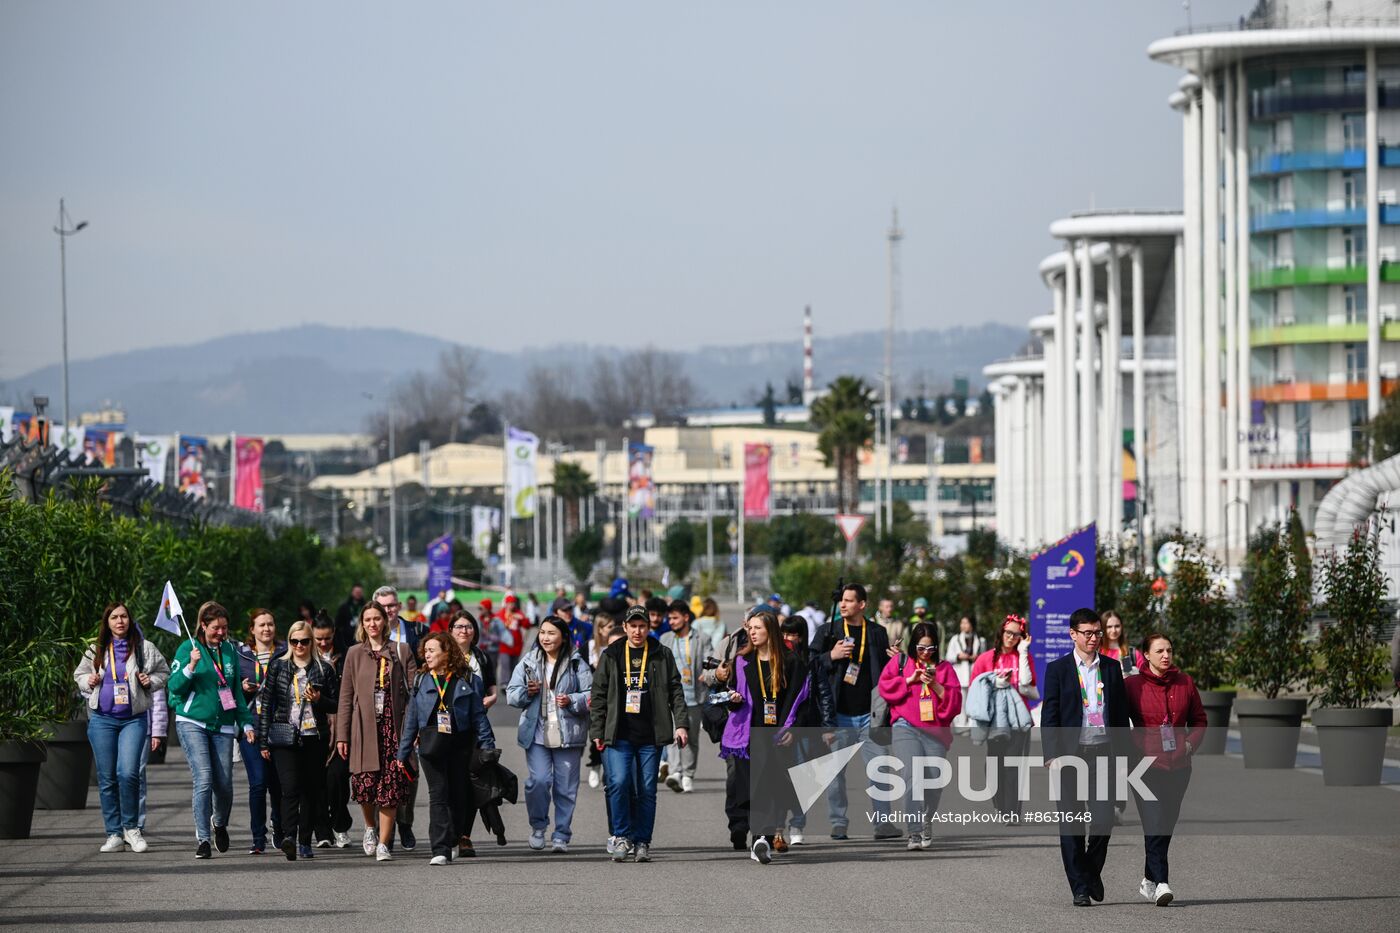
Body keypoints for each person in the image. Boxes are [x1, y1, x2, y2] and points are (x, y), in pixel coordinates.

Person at [1041, 608, 1131, 908]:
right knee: (1072, 825)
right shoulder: (1058, 669)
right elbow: (1049, 715)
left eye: (1097, 633)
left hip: (1103, 753)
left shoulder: (1111, 667)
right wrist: (1051, 755)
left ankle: (1090, 871)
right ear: (1073, 634)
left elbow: (1119, 714)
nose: (1094, 638)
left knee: (1103, 820)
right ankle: (1080, 887)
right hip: (1070, 754)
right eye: (1088, 633)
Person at [588, 605, 689, 863]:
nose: (637, 631)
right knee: (619, 783)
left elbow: (675, 690)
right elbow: (598, 695)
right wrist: (597, 730)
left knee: (646, 789)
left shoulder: (660, 653)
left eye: (642, 626)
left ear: (648, 627)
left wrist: (681, 724)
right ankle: (622, 836)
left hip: (650, 735)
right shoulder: (612, 654)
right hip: (618, 733)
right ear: (625, 627)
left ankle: (642, 841)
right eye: (632, 626)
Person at [713, 607, 815, 864]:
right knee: (755, 787)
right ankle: (759, 838)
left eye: (757, 628)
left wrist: (794, 729)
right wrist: (734, 700)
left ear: (771, 631)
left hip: (780, 734)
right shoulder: (742, 661)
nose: (752, 632)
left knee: (773, 787)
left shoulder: (792, 663)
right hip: (749, 734)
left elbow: (803, 703)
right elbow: (731, 697)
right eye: (750, 628)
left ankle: (763, 839)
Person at [74, 602, 170, 854]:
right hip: (101, 719)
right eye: (115, 617)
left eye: (124, 616)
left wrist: (150, 681)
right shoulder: (95, 649)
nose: (120, 621)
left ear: (130, 620)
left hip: (132, 719)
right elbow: (79, 676)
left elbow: (164, 672)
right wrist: (89, 680)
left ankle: (132, 828)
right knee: (107, 778)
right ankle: (114, 834)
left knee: (128, 773)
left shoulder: (143, 648)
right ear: (107, 622)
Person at [168, 601, 258, 859]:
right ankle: (203, 838)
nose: (221, 633)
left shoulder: (229, 650)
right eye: (216, 628)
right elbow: (174, 687)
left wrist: (246, 722)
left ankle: (220, 823)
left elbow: (236, 693)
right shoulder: (188, 647)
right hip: (192, 721)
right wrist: (190, 667)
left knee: (225, 784)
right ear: (203, 626)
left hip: (224, 724)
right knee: (204, 778)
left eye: (225, 628)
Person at [1124, 633, 1207, 907]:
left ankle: (1149, 878)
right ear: (1146, 655)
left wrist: (1190, 744)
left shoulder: (1185, 682)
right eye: (1159, 650)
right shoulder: (1132, 685)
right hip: (1144, 765)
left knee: (1166, 824)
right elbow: (1116, 721)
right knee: (1154, 821)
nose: (1166, 655)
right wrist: (1132, 745)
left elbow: (1200, 720)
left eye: (1169, 650)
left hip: (1179, 766)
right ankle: (1161, 883)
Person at [399, 631, 495, 865]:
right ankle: (439, 849)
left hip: (460, 745)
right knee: (438, 794)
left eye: (432, 651)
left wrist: (487, 746)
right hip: (431, 746)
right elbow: (412, 716)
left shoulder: (469, 679)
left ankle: (453, 838)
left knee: (458, 794)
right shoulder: (421, 680)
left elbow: (478, 716)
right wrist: (402, 752)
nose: (426, 655)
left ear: (446, 653)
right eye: (426, 651)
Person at [812, 583, 896, 840]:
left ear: (862, 604)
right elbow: (808, 664)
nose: (843, 604)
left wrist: (897, 660)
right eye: (841, 600)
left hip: (870, 716)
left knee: (879, 770)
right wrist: (831, 656)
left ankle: (883, 824)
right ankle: (839, 822)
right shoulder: (828, 631)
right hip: (838, 716)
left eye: (849, 600)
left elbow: (887, 672)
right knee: (835, 775)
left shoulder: (877, 633)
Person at [335, 601, 416, 861]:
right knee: (365, 784)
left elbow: (414, 694)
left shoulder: (401, 651)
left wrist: (413, 730)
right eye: (368, 619)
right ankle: (370, 828)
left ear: (385, 621)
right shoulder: (354, 653)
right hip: (363, 727)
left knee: (391, 787)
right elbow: (346, 698)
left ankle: (383, 842)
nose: (372, 624)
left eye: (377, 619)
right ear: (363, 623)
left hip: (394, 728)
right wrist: (342, 735)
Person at [507, 615, 593, 853]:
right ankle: (538, 827)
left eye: (551, 633)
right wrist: (527, 691)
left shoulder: (577, 662)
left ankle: (561, 835)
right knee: (539, 781)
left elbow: (591, 694)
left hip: (569, 733)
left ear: (564, 637)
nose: (545, 637)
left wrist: (572, 700)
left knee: (565, 787)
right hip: (536, 733)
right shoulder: (529, 661)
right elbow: (511, 694)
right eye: (542, 632)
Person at [257, 620, 339, 860]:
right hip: (285, 735)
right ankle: (289, 837)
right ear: (289, 642)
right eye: (295, 641)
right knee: (289, 788)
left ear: (311, 642)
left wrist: (319, 699)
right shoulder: (278, 666)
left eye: (304, 641)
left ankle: (305, 841)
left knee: (311, 791)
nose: (300, 645)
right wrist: (264, 741)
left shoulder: (324, 668)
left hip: (315, 736)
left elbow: (336, 704)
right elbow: (267, 704)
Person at [878, 621, 962, 851]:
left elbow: (954, 704)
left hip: (935, 731)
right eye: (921, 648)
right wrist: (909, 680)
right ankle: (914, 831)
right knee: (912, 775)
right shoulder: (901, 662)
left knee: (934, 779)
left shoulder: (945, 668)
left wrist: (934, 684)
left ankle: (926, 818)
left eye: (930, 648)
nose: (925, 653)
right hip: (905, 726)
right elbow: (885, 687)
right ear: (914, 645)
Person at [969, 615, 1038, 819]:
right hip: (994, 720)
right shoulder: (986, 658)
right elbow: (975, 687)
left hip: (1017, 718)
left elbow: (1029, 682)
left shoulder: (1023, 656)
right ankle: (1000, 804)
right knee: (994, 765)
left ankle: (1011, 810)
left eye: (1017, 634)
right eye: (1009, 632)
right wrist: (993, 682)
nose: (1011, 637)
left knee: (1013, 764)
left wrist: (1024, 650)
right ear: (1001, 632)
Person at [372, 585, 425, 850]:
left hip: (408, 711)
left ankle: (405, 822)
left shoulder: (416, 632)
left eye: (392, 605)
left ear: (399, 606)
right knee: (381, 773)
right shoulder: (368, 635)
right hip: (379, 714)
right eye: (383, 607)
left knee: (409, 770)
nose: (389, 611)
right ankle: (386, 832)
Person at [235, 608, 284, 854]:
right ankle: (257, 837)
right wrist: (242, 688)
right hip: (251, 727)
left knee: (277, 783)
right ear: (252, 630)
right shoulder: (241, 656)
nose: (266, 629)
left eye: (270, 624)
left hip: (280, 726)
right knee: (258, 782)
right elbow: (230, 691)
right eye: (261, 625)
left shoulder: (285, 652)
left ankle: (279, 827)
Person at [660, 598, 712, 793]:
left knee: (690, 738)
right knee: (672, 735)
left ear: (686, 617)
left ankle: (688, 774)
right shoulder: (665, 639)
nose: (671, 622)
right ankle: (675, 771)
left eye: (674, 618)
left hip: (694, 696)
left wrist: (706, 675)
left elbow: (710, 663)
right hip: (669, 697)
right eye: (669, 618)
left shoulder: (702, 638)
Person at [311, 614, 353, 849]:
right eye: (318, 639)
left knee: (337, 778)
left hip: (341, 725)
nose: (323, 643)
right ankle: (322, 831)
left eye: (327, 638)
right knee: (317, 782)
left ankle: (340, 825)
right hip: (314, 726)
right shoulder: (305, 656)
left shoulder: (346, 656)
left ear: (334, 633)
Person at [944, 616, 986, 732]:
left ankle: (971, 725)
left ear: (972, 624)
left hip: (974, 674)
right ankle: (961, 725)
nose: (963, 625)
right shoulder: (955, 639)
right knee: (961, 701)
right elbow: (948, 657)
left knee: (973, 701)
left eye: (966, 623)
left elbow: (984, 658)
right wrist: (959, 656)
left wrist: (976, 657)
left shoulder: (980, 640)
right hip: (960, 674)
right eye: (962, 623)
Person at [1100, 610, 1144, 676]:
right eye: (1109, 627)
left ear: (1122, 627)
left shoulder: (1131, 653)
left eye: (1117, 626)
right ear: (1103, 628)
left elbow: (1144, 678)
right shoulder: (1097, 652)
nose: (1114, 630)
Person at [334, 583, 366, 652]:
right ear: (352, 592)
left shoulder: (365, 606)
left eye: (359, 592)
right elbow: (338, 624)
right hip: (347, 639)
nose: (358, 594)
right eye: (356, 592)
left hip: (362, 636)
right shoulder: (344, 607)